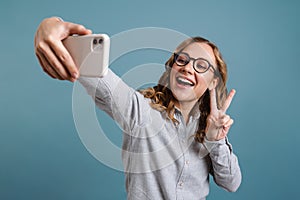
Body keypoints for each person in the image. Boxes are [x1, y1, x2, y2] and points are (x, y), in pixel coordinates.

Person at [34, 17, 242, 200]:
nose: (188, 68)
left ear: (213, 82)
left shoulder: (210, 128)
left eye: (201, 65)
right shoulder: (141, 111)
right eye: (182, 60)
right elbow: (93, 70)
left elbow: (231, 183)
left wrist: (216, 141)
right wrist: (50, 25)